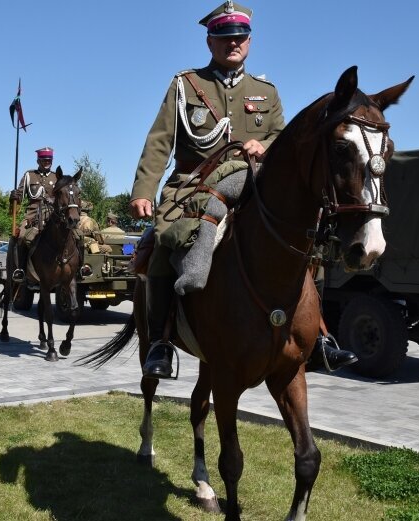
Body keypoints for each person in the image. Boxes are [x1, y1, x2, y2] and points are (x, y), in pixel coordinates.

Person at [130, 2, 356, 379]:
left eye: (239, 37)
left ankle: (318, 338)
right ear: (210, 41)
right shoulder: (187, 85)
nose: (232, 43)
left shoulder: (266, 91)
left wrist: (265, 146)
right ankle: (160, 341)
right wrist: (143, 189)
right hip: (193, 187)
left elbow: (283, 139)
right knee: (163, 244)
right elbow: (159, 141)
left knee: (304, 241)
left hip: (252, 185)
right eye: (223, 37)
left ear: (249, 41)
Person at [9, 147, 59, 283]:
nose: (47, 162)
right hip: (32, 214)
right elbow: (19, 196)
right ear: (38, 160)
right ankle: (20, 269)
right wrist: (14, 197)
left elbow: (62, 196)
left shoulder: (56, 177)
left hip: (51, 213)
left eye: (49, 160)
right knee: (21, 236)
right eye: (44, 160)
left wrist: (53, 200)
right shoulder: (29, 175)